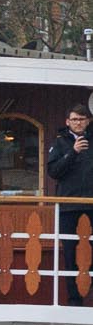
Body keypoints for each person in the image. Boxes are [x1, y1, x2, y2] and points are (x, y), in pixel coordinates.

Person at [48, 105, 93, 304]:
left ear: (88, 121)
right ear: (67, 122)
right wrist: (73, 153)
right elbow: (54, 172)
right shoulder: (59, 144)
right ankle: (74, 299)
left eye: (82, 119)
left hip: (91, 204)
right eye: (74, 119)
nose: (78, 123)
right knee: (69, 252)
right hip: (68, 206)